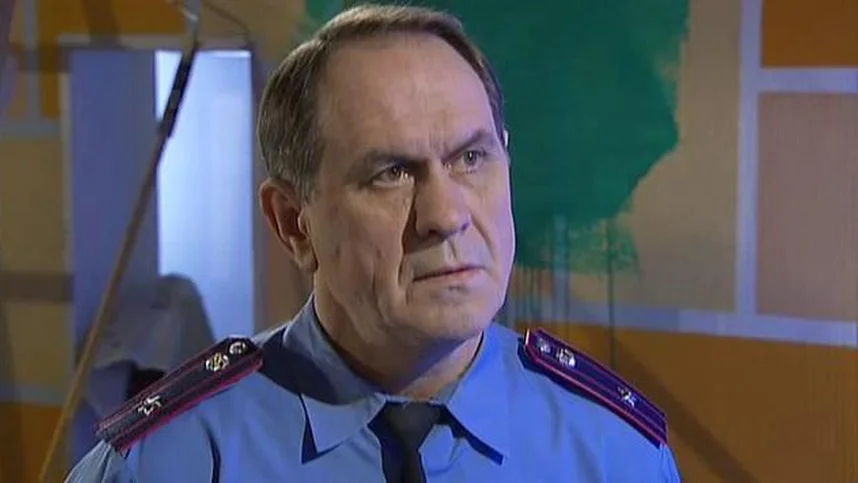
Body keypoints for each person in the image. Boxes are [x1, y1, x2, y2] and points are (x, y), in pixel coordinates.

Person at [66, 4, 681, 482]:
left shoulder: (615, 453)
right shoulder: (166, 465)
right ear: (293, 223)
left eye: (471, 158)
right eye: (391, 173)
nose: (446, 216)